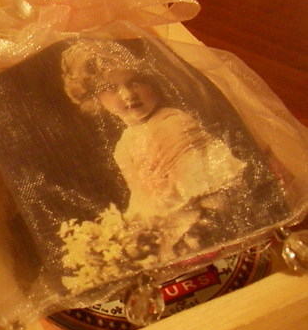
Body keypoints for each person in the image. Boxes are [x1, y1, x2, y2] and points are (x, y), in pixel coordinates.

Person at [61, 38, 248, 260]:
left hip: (201, 227)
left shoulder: (173, 122)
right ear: (95, 98)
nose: (128, 94)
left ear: (152, 82)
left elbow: (213, 188)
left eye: (136, 82)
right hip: (164, 235)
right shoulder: (123, 145)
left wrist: (197, 232)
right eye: (111, 88)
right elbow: (142, 200)